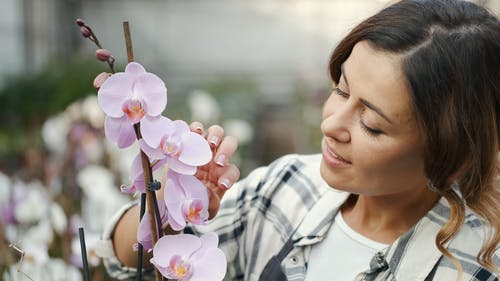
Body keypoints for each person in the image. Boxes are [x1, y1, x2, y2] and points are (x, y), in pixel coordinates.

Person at [99, 0, 500, 280]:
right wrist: (167, 200)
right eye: (341, 90)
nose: (330, 125)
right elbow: (119, 264)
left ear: (454, 155)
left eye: (372, 125)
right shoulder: (286, 188)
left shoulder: (473, 267)